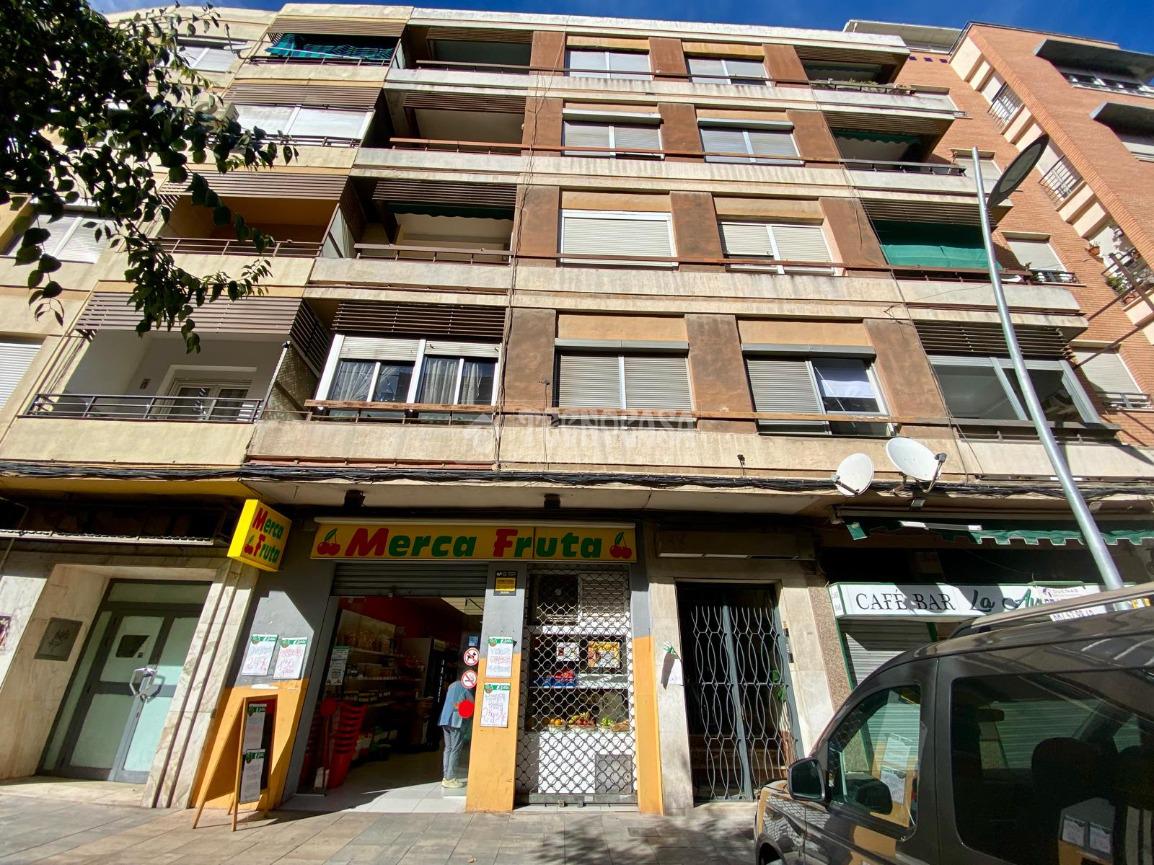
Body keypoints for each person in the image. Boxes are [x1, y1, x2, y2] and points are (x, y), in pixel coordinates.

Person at [438, 676, 473, 787]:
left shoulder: (452, 685)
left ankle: (445, 777)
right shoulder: (465, 687)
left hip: (444, 719)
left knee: (448, 748)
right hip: (455, 721)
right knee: (455, 749)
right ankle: (451, 778)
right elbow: (472, 703)